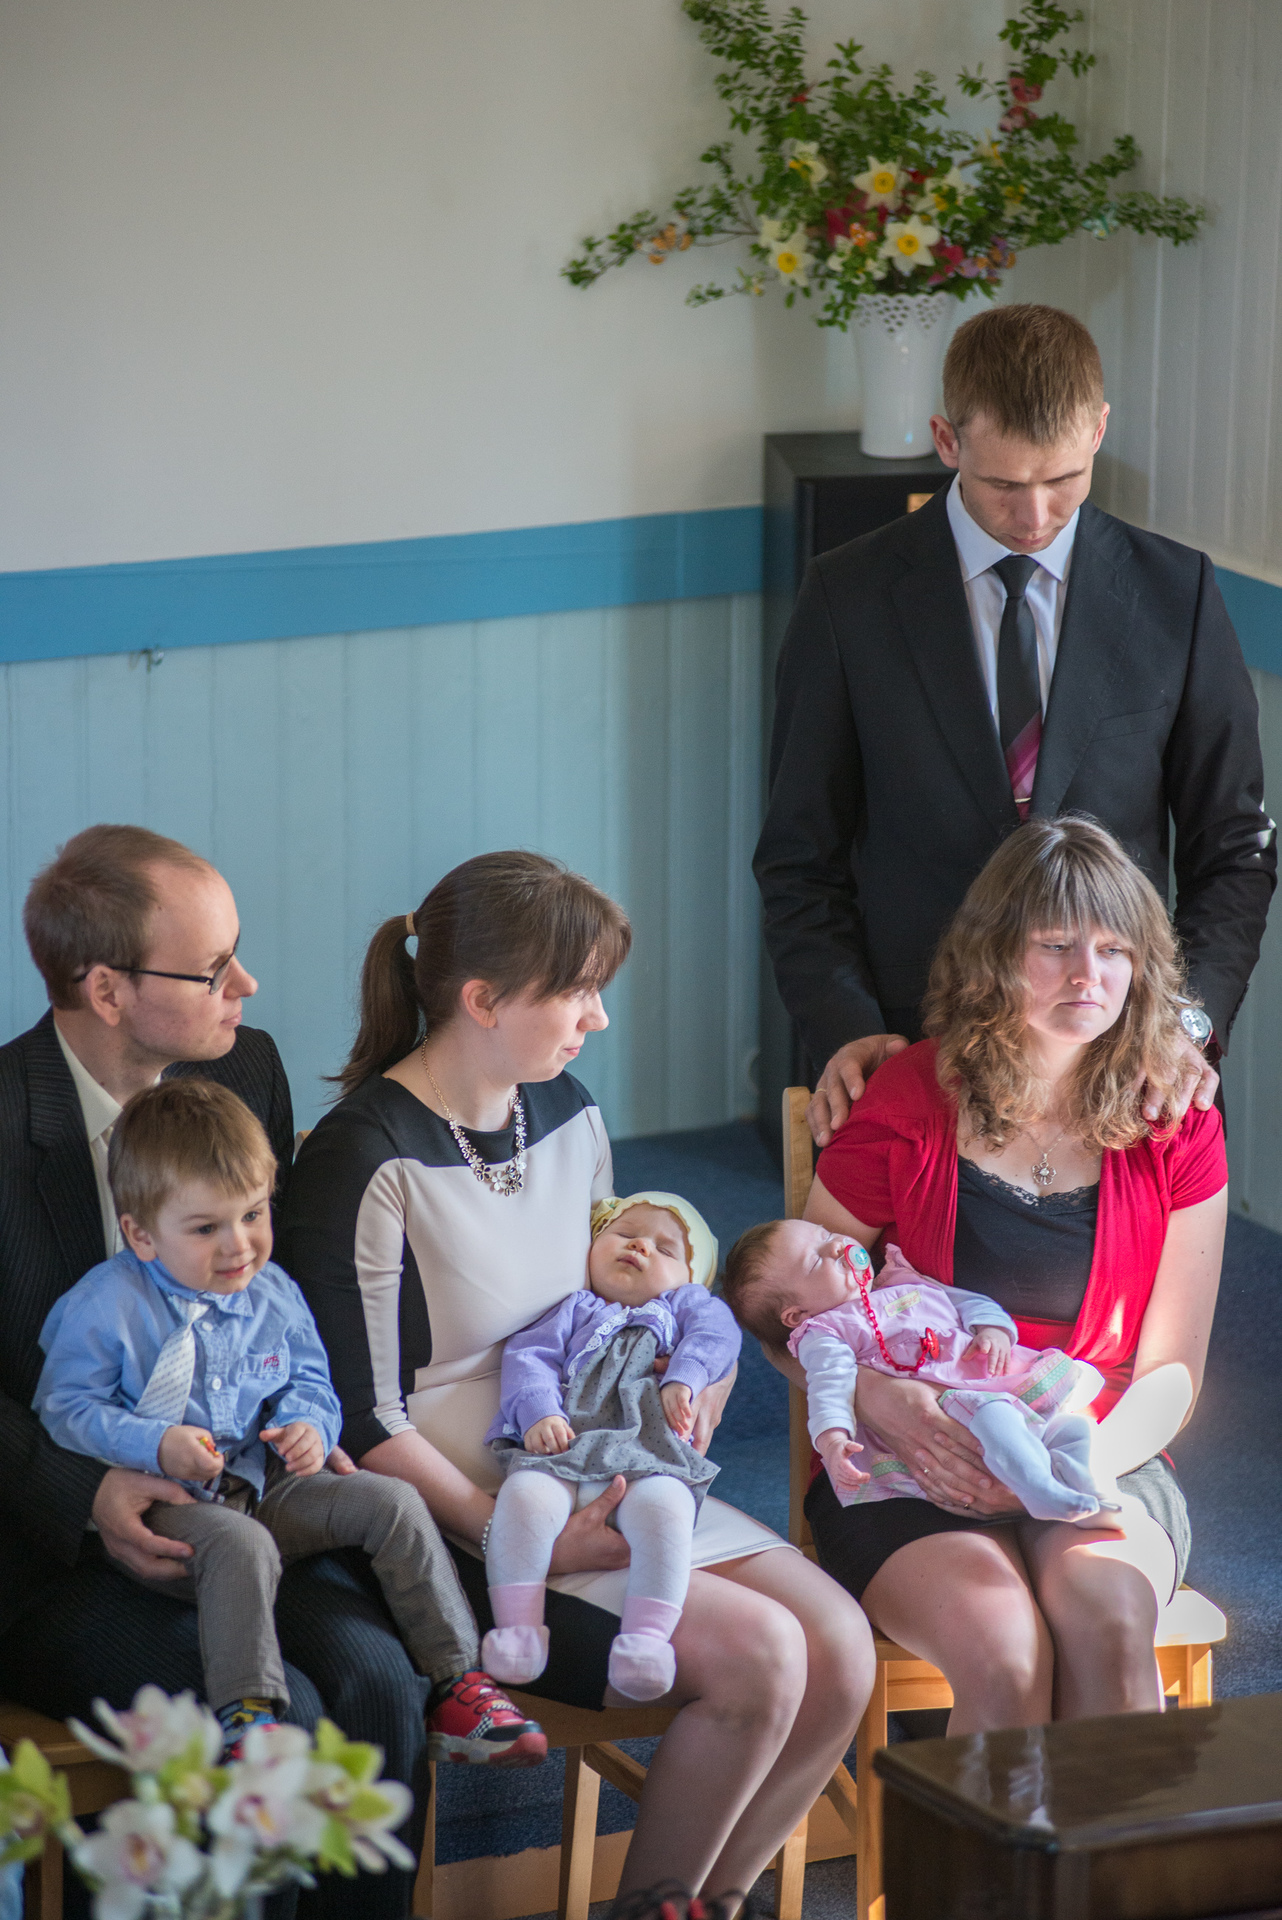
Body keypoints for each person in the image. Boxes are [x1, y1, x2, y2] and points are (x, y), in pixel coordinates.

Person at [279, 851, 876, 1909]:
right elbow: (363, 1421)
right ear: (483, 1001)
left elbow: (630, 1301)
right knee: (762, 1658)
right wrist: (525, 1535)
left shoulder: (566, 1109)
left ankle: (698, 1905)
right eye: (578, 991)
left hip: (605, 1458)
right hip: (467, 1521)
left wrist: (695, 1384)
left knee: (839, 1648)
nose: (597, 1018)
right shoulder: (362, 1157)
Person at [0, 825, 430, 1919]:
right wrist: (85, 1492)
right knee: (272, 1733)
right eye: (212, 968)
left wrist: (305, 1414)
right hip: (48, 1548)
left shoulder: (247, 1065)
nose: (246, 984)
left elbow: (272, 1302)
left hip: (240, 1505)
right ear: (105, 989)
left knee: (381, 1683)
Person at [754, 302, 1276, 1147]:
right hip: (914, 1050)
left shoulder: (1176, 594)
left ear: (1099, 430)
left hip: (1125, 1060)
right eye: (1003, 484)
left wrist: (1186, 1024)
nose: (1034, 515)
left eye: (1063, 478)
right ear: (947, 440)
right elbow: (798, 859)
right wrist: (846, 1024)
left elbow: (1235, 849)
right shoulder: (846, 597)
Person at [780, 814, 1227, 1732]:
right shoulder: (907, 1098)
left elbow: (1171, 1377)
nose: (1088, 975)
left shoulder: (1176, 1121)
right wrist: (878, 1398)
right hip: (918, 1451)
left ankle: (1107, 1839)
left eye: (1113, 951)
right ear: (992, 956)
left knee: (1110, 1627)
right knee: (1004, 1648)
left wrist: (1054, 1474)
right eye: (1055, 945)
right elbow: (786, 1313)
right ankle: (988, 1837)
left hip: (1100, 1448)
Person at [35, 1077, 546, 1768]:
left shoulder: (273, 1292)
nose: (239, 1245)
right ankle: (248, 1714)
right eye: (206, 1228)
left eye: (253, 1214)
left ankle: (458, 1683)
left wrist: (310, 1424)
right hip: (169, 1511)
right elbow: (63, 1408)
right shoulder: (105, 1307)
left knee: (392, 1502)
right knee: (240, 1543)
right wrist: (154, 1443)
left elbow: (309, 1380)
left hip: (263, 1483)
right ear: (141, 1234)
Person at [483, 1191, 741, 1702]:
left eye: (665, 1249)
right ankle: (517, 1630)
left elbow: (719, 1333)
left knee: (667, 1511)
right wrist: (539, 1412)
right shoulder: (574, 1307)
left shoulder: (682, 1308)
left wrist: (685, 1378)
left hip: (649, 1456)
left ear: (691, 1279)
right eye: (625, 1234)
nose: (641, 1246)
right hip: (564, 1446)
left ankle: (646, 1641)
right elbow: (529, 1356)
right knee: (524, 1498)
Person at [723, 1231, 1115, 1523]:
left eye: (825, 1236)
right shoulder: (826, 1332)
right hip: (951, 1406)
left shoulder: (898, 1278)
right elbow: (829, 1387)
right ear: (796, 1315)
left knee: (1071, 1429)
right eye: (815, 1260)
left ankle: (1081, 1491)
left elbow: (966, 1302)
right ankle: (1041, 1491)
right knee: (996, 1417)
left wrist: (992, 1329)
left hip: (989, 1379)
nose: (837, 1246)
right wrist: (833, 1440)